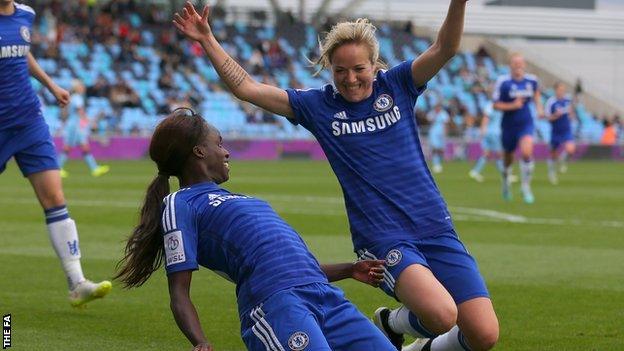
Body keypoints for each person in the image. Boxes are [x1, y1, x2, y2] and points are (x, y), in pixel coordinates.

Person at [173, 2, 499, 351]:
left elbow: (445, 48)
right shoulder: (318, 106)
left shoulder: (400, 85)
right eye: (340, 70)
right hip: (384, 236)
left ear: (375, 65)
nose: (350, 78)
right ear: (329, 68)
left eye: (359, 68)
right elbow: (248, 88)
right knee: (442, 315)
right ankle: (396, 322)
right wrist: (207, 39)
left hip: (435, 225)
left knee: (483, 334)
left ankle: (392, 324)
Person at [114, 109, 397, 351]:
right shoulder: (180, 202)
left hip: (325, 296)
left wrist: (349, 269)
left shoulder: (244, 199)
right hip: (276, 305)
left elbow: (289, 266)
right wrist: (199, 341)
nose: (226, 152)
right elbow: (179, 291)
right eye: (219, 143)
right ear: (199, 151)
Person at [0, 0, 111, 306]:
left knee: (55, 199)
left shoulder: (26, 15)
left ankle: (77, 283)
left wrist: (50, 84)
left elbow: (22, 53)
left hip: (28, 122)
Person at [493, 53, 544, 204]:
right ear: (510, 65)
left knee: (527, 152)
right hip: (508, 125)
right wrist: (512, 105)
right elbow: (495, 105)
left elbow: (536, 96)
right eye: (515, 63)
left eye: (520, 63)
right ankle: (506, 183)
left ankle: (525, 186)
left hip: (525, 122)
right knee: (508, 159)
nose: (518, 66)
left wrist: (539, 109)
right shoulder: (503, 82)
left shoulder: (532, 80)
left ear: (524, 65)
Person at [57, 80, 110, 178]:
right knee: (67, 147)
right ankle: (58, 168)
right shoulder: (77, 98)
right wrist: (91, 122)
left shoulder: (75, 97)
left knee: (84, 146)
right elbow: (80, 113)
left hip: (76, 125)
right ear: (77, 88)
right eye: (81, 86)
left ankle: (94, 168)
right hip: (74, 126)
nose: (83, 88)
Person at [543, 82, 575, 185]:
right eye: (560, 90)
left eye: (563, 90)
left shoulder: (567, 100)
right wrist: (555, 116)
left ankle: (562, 160)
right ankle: (551, 173)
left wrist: (571, 115)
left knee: (570, 149)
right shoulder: (551, 102)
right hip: (556, 131)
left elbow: (570, 112)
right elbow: (547, 117)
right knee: (553, 154)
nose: (562, 92)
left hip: (566, 130)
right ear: (555, 90)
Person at [468, 101, 504, 182]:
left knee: (486, 154)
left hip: (489, 133)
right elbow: (485, 118)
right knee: (500, 154)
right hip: (494, 133)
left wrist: (483, 131)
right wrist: (482, 129)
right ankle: (505, 174)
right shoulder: (494, 105)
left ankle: (475, 171)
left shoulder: (490, 105)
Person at [427, 103, 449, 174]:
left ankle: (438, 163)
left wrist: (445, 133)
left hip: (441, 133)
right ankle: (436, 164)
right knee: (435, 148)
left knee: (440, 149)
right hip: (433, 133)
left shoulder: (443, 114)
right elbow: (428, 120)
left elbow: (446, 124)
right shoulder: (432, 113)